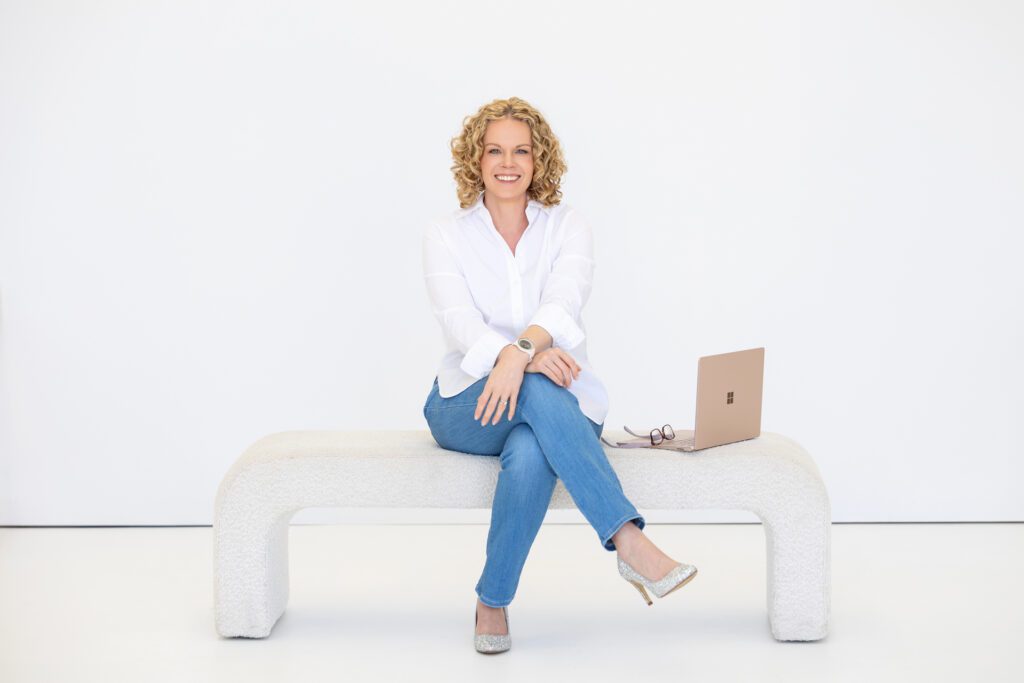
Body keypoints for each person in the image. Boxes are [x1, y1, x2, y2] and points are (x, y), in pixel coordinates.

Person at [421, 97, 697, 654]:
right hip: (466, 405)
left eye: (521, 151)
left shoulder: (568, 226)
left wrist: (521, 353)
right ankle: (627, 539)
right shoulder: (446, 234)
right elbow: (459, 323)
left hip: (561, 405)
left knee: (530, 449)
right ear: (475, 159)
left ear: (538, 159)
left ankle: (492, 600)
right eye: (494, 151)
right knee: (535, 384)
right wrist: (519, 358)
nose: (508, 163)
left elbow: (564, 299)